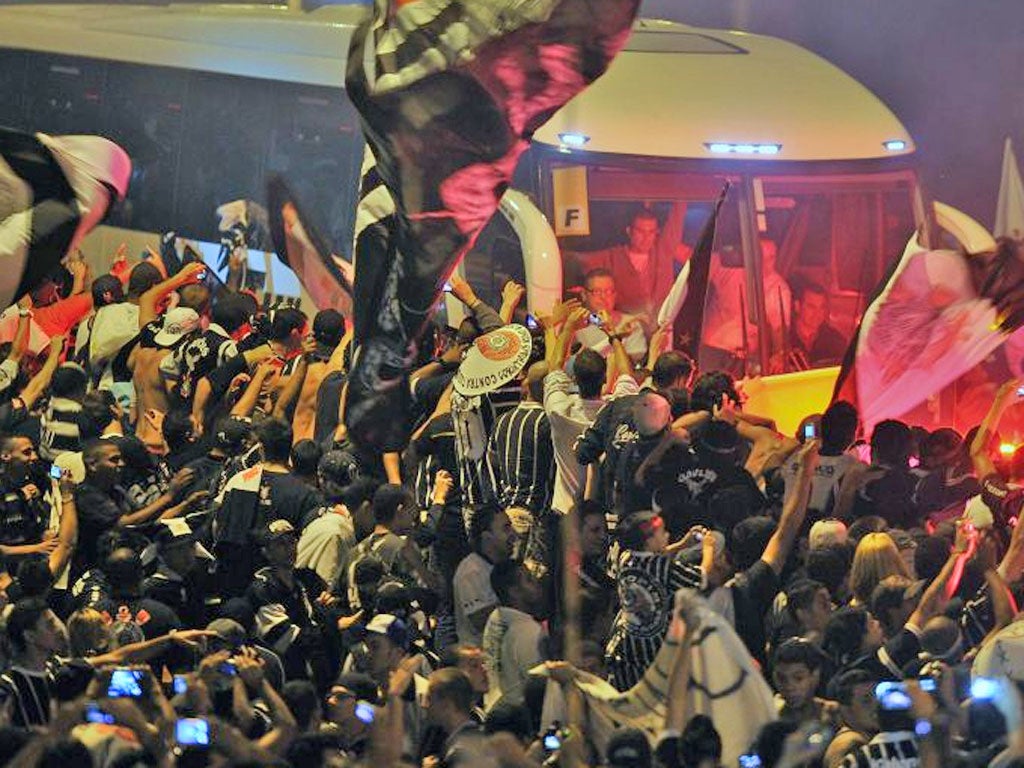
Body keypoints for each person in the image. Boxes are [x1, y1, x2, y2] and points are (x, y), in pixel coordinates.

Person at [570, 206, 688, 322]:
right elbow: (577, 260)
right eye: (640, 231)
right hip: (628, 331)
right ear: (629, 231)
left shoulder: (663, 253)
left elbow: (677, 217)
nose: (646, 237)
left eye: (651, 232)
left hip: (663, 332)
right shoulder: (612, 257)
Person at [246, 519, 326, 682]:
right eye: (281, 544)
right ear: (266, 552)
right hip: (283, 675)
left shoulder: (304, 581)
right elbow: (285, 640)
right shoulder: (262, 589)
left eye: (292, 542)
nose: (289, 549)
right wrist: (331, 627)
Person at [701, 237, 791, 375]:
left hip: (743, 358)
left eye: (771, 257)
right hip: (712, 350)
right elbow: (696, 259)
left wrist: (779, 353)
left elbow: (780, 327)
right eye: (761, 257)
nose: (766, 264)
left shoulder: (778, 288)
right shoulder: (729, 267)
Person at [481, 559, 548, 707]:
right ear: (514, 592)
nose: (537, 583)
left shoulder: (494, 620)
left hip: (493, 710)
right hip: (517, 719)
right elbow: (539, 686)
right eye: (529, 580)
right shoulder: (529, 631)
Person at [452, 504, 516, 647]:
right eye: (506, 528)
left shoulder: (507, 564)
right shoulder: (470, 571)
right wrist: (516, 595)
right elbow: (479, 621)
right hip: (481, 659)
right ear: (487, 537)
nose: (514, 534)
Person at [575, 268, 648, 359]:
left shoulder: (630, 323)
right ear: (584, 295)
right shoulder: (575, 325)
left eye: (608, 291)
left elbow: (636, 359)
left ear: (615, 295)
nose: (603, 297)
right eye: (597, 291)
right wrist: (616, 336)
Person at [771, 638, 839, 726]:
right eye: (781, 678)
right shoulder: (768, 713)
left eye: (798, 678)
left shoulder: (834, 715)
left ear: (815, 675)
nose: (789, 687)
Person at [788, 282, 848, 370]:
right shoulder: (782, 338)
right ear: (797, 306)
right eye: (811, 307)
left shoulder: (836, 341)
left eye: (822, 307)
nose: (817, 314)